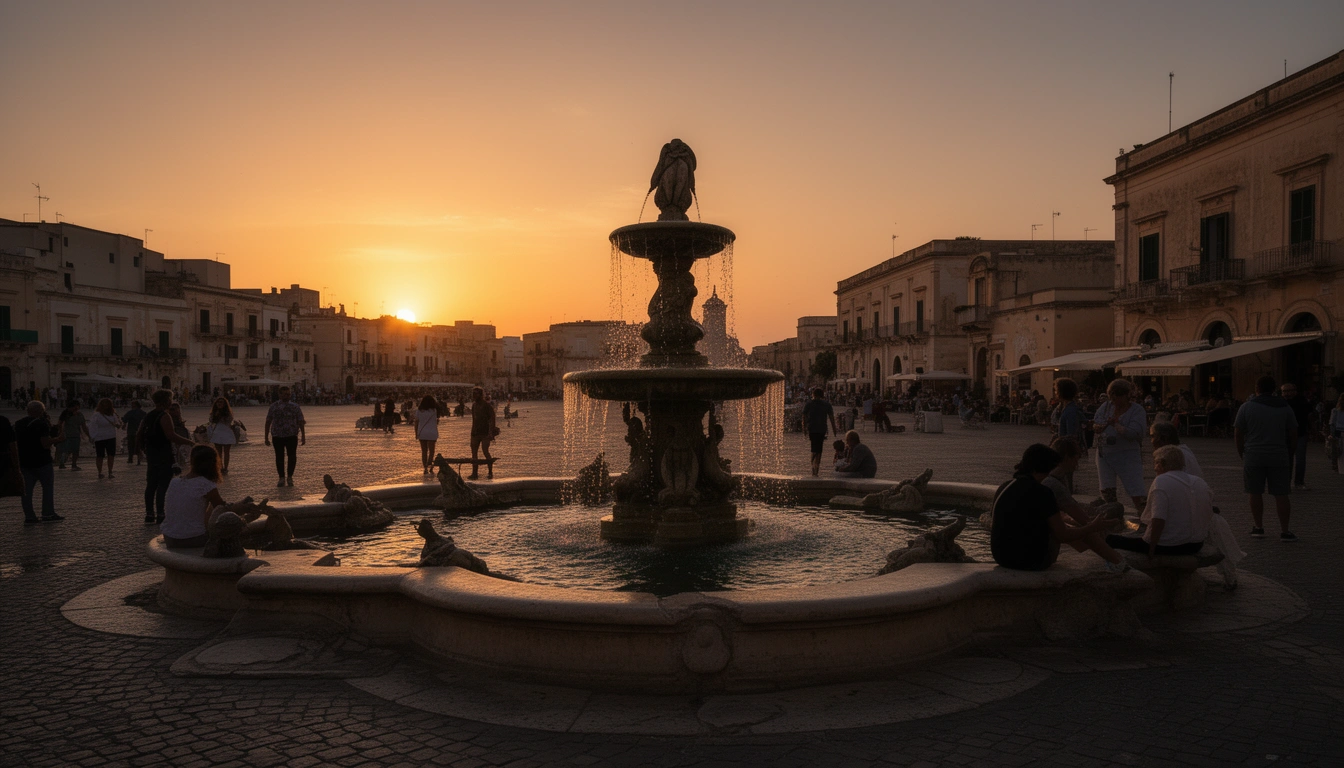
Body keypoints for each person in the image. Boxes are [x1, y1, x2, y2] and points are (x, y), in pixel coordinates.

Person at [990, 443, 1127, 572]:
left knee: (1065, 524)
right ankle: (1119, 563)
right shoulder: (1043, 492)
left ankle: (1115, 560)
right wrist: (1093, 527)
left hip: (1001, 557)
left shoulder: (1004, 487)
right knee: (1076, 528)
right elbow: (1062, 535)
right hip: (1031, 561)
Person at [1106, 445, 1211, 557]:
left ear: (1162, 463)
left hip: (1169, 546)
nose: (1155, 468)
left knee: (1109, 539)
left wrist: (1151, 548)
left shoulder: (1162, 481)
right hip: (1196, 544)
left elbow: (1158, 520)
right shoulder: (1199, 482)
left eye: (1155, 463)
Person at [1235, 375, 1297, 541]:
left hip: (1254, 454)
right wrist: (1290, 452)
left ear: (1257, 389)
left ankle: (1259, 527)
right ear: (1274, 389)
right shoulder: (1285, 407)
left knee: (1254, 492)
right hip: (1279, 454)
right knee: (1282, 494)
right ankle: (1285, 531)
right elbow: (1293, 432)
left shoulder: (1246, 407)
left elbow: (1238, 433)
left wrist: (1242, 452)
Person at [139, 389, 196, 524]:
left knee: (151, 484)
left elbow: (139, 433)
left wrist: (141, 449)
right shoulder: (165, 416)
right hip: (164, 453)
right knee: (163, 484)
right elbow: (171, 435)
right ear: (166, 400)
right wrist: (190, 442)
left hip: (152, 453)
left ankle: (149, 514)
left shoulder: (148, 415)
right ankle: (160, 514)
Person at [1092, 379, 1148, 513]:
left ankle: (1144, 516)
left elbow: (1136, 432)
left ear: (1127, 395)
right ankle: (1112, 515)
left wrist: (1117, 426)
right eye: (1112, 396)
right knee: (1107, 489)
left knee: (1136, 488)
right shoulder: (1106, 406)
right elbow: (1096, 423)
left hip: (1127, 454)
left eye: (1118, 396)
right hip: (1104, 454)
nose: (1114, 400)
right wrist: (1099, 427)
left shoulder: (1136, 410)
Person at [161, 445, 226, 549]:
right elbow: (222, 510)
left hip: (169, 536)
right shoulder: (207, 485)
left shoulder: (174, 482)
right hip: (194, 538)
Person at [14, 401, 65, 524]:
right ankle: (48, 513)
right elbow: (45, 443)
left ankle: (29, 516)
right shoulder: (41, 424)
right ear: (41, 411)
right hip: (42, 461)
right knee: (47, 488)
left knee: (26, 491)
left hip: (24, 461)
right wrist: (58, 439)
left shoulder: (18, 424)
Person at [264, 386, 306, 487]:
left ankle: (290, 477)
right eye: (284, 394)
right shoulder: (273, 406)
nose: (286, 396)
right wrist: (266, 437)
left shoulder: (295, 406)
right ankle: (281, 477)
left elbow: (300, 421)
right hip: (277, 435)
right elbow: (268, 421)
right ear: (279, 394)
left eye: (288, 394)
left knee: (292, 457)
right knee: (279, 457)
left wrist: (303, 435)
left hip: (291, 435)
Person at [1280, 382, 1312, 491]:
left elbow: (1307, 416)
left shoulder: (1302, 402)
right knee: (1286, 460)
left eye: (1289, 391)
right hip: (1285, 434)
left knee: (1300, 459)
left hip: (1300, 433)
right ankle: (1286, 482)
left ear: (1295, 391)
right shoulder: (1280, 403)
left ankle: (1299, 482)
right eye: (1284, 391)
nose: (1286, 393)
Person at [802, 388, 839, 477]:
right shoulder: (827, 405)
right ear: (822, 395)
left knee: (814, 448)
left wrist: (804, 429)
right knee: (819, 449)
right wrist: (834, 430)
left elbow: (804, 417)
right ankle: (816, 469)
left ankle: (813, 468)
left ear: (813, 394)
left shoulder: (809, 404)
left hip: (812, 428)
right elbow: (831, 418)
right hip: (822, 429)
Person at [87, 398, 122, 479]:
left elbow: (117, 423)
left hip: (111, 437)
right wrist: (92, 436)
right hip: (100, 438)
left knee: (111, 455)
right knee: (100, 455)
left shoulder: (113, 414)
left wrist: (118, 424)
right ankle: (100, 472)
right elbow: (92, 426)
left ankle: (110, 472)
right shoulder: (97, 415)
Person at [468, 386, 496, 480]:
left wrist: (491, 432)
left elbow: (492, 418)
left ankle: (490, 472)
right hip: (475, 433)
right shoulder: (474, 405)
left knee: (485, 451)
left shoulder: (487, 406)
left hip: (485, 433)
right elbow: (473, 419)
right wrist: (472, 432)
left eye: (475, 394)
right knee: (474, 453)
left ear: (480, 395)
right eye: (473, 394)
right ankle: (474, 473)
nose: (473, 396)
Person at [207, 397, 238, 474]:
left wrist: (221, 415)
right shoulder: (214, 412)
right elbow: (211, 421)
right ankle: (220, 467)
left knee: (226, 452)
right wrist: (216, 415)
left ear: (224, 404)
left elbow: (229, 421)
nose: (219, 404)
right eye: (218, 402)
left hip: (226, 432)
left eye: (221, 402)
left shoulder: (228, 413)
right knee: (218, 452)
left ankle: (226, 468)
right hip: (218, 432)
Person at [1054, 378, 1085, 450]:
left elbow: (1071, 434)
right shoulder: (1069, 408)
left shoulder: (1070, 411)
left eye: (1056, 390)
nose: (1055, 392)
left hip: (1067, 450)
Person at [56, 399, 87, 471]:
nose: (76, 409)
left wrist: (88, 434)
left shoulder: (79, 415)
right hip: (67, 435)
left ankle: (73, 464)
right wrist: (61, 432)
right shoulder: (66, 413)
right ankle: (62, 463)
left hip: (76, 435)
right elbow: (60, 423)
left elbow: (83, 426)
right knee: (67, 450)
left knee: (75, 450)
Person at [415, 395, 440, 475]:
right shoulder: (434, 411)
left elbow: (416, 422)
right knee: (431, 451)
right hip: (432, 433)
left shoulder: (419, 411)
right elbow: (436, 422)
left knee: (424, 451)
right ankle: (430, 466)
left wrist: (416, 433)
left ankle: (425, 468)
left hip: (422, 433)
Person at [123, 400, 147, 465]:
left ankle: (130, 458)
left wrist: (123, 426)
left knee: (131, 445)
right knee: (140, 445)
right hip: (141, 432)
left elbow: (124, 420)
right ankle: (139, 460)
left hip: (131, 432)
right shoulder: (143, 413)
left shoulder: (130, 412)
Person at [1328, 393, 1344, 474]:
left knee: (1340, 452)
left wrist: (1332, 434)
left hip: (1339, 432)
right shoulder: (1336, 411)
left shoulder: (1335, 411)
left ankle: (1340, 468)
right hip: (1339, 431)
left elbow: (1332, 423)